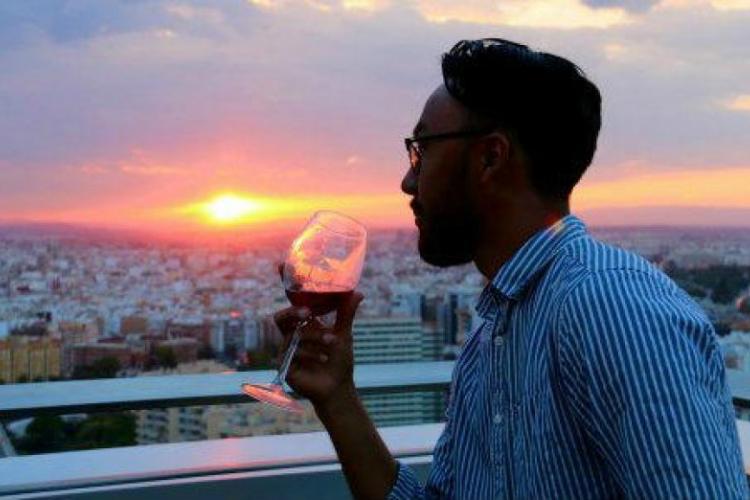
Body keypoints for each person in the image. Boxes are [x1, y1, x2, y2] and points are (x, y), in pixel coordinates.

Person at [272, 38, 747, 499]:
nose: (407, 179)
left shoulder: (609, 308)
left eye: (422, 149)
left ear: (491, 157)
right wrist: (338, 400)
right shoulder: (492, 339)